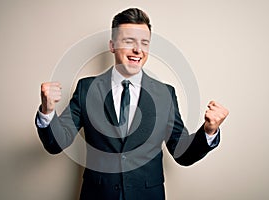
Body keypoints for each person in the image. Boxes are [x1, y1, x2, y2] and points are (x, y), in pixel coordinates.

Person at [35, 8, 229, 200]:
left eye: (144, 43)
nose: (138, 50)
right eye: (129, 42)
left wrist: (208, 131)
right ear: (112, 45)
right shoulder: (87, 88)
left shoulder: (165, 94)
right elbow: (56, 144)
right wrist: (48, 111)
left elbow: (182, 154)